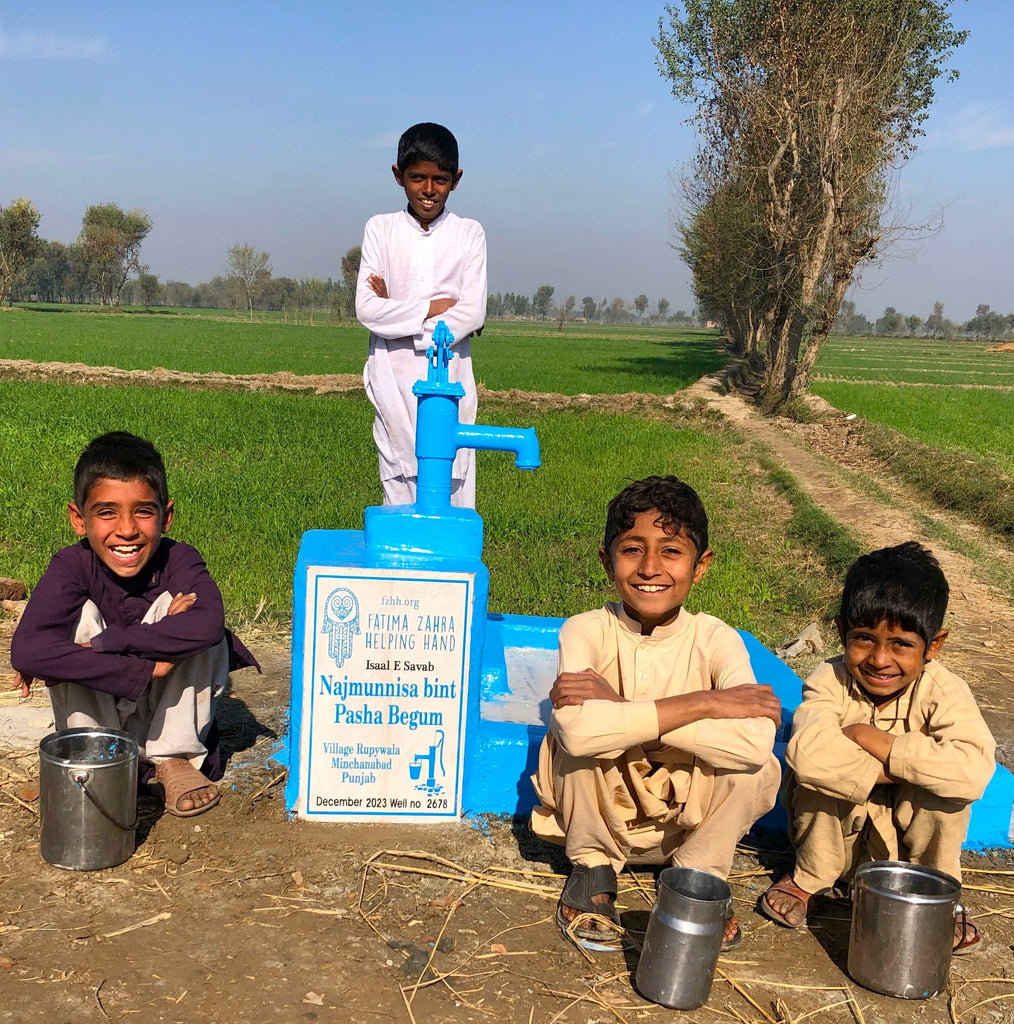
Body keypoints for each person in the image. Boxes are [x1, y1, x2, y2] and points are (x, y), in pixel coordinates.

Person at [530, 476, 782, 950]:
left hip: (688, 823)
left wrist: (622, 711)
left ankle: (698, 876)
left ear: (700, 566)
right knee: (570, 743)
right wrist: (704, 702)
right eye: (632, 550)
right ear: (607, 561)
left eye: (670, 551)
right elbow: (581, 735)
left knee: (757, 767)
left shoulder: (717, 639)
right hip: (607, 815)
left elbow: (753, 744)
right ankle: (593, 869)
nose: (650, 568)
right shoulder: (585, 630)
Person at [761, 542, 994, 954]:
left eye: (901, 644)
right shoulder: (828, 679)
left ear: (934, 645)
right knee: (818, 780)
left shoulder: (945, 690)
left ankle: (938, 895)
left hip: (907, 856)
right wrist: (910, 763)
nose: (880, 660)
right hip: (838, 846)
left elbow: (973, 771)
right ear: (840, 632)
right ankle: (809, 881)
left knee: (946, 795)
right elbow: (808, 754)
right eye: (864, 639)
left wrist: (872, 741)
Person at [11, 432, 258, 817]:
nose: (126, 530)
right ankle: (92, 757)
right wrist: (142, 666)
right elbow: (27, 650)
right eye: (107, 512)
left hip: (167, 721)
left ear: (166, 515)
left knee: (198, 628)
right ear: (79, 519)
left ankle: (173, 760)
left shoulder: (180, 559)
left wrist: (104, 645)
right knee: (78, 621)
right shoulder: (70, 566)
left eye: (143, 511)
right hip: (102, 722)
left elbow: (208, 625)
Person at [355, 121, 487, 508]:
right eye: (417, 178)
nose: (428, 190)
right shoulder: (381, 229)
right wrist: (434, 306)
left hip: (450, 383)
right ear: (399, 176)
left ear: (456, 179)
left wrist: (395, 309)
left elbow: (473, 312)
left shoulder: (468, 234)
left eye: (439, 179)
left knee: (453, 490)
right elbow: (366, 309)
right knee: (398, 488)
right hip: (392, 379)